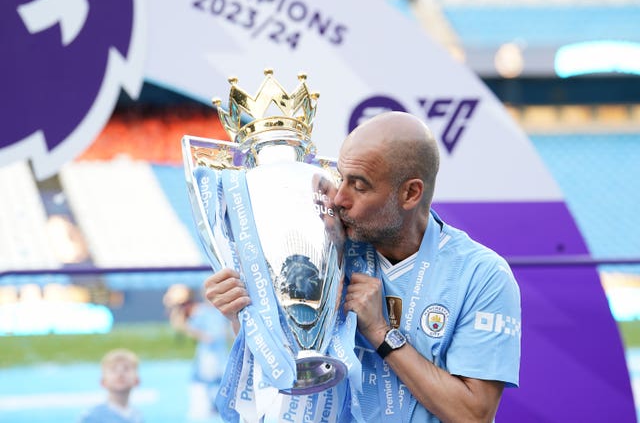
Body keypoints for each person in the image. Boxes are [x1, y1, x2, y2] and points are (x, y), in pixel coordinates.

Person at [204, 111, 521, 422]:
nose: (339, 198)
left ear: (410, 193)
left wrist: (381, 333)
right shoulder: (327, 251)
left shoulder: (482, 275)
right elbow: (287, 373)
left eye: (359, 185)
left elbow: (474, 414)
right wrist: (244, 315)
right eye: (341, 178)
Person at [163, 284, 230, 421]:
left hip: (220, 351)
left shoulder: (222, 312)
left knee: (221, 377)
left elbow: (227, 328)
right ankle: (203, 407)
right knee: (204, 377)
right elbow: (186, 327)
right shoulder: (201, 311)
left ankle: (217, 404)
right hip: (207, 352)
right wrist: (203, 335)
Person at [78, 348, 144, 423]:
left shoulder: (137, 416)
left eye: (126, 369)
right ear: (103, 382)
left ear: (137, 381)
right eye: (113, 369)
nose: (120, 373)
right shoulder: (91, 417)